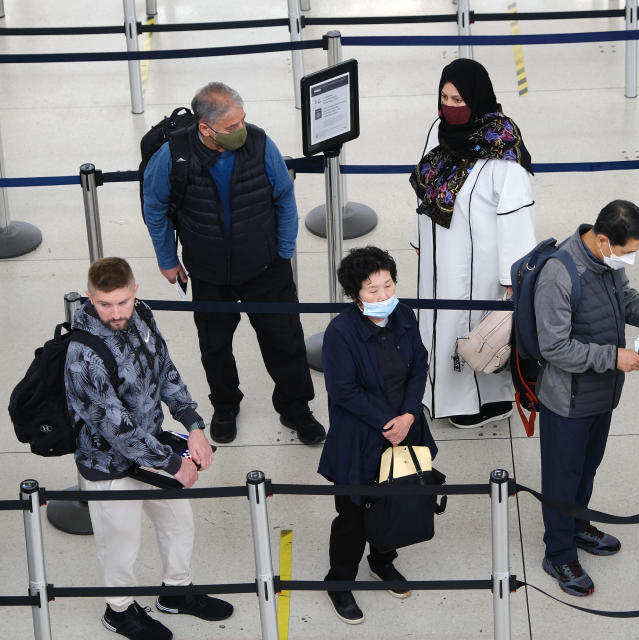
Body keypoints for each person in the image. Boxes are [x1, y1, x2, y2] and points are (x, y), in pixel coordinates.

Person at [143, 81, 324, 445]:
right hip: (208, 271)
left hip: (265, 266)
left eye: (242, 121)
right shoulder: (172, 156)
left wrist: (284, 251)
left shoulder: (259, 143)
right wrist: (167, 258)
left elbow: (284, 197)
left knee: (284, 339)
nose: (241, 130)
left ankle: (295, 408)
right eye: (231, 127)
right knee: (215, 345)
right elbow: (155, 207)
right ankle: (225, 405)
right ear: (205, 128)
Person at [63, 258, 233, 640]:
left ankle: (176, 591)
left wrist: (193, 425)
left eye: (122, 301)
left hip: (152, 450)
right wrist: (174, 464)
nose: (116, 312)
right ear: (90, 298)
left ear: (134, 290)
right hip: (107, 465)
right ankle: (119, 611)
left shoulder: (141, 314)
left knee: (178, 524)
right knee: (120, 545)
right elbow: (115, 427)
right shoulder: (82, 355)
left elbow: (165, 370)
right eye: (105, 304)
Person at [533, 200, 639, 595]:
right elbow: (555, 348)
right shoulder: (558, 275)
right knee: (562, 479)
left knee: (587, 467)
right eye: (629, 251)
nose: (631, 259)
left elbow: (626, 299)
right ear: (603, 241)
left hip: (600, 392)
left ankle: (577, 525)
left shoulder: (604, 264)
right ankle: (559, 553)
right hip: (567, 401)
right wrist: (612, 357)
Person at [410, 58, 537, 428]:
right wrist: (419, 239)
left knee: (475, 334)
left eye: (458, 99)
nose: (450, 107)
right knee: (437, 325)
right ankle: (436, 388)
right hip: (438, 258)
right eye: (444, 97)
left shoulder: (504, 153)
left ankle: (480, 401)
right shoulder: (439, 130)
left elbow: (517, 218)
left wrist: (514, 276)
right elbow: (425, 187)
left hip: (478, 270)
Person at [318, 247, 438, 625]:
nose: (384, 296)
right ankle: (339, 582)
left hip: (406, 427)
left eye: (388, 285)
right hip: (360, 439)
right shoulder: (340, 332)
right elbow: (343, 390)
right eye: (372, 290)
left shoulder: (403, 314)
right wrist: (391, 422)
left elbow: (419, 363)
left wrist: (409, 413)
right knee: (352, 516)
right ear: (355, 295)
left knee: (396, 502)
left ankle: (382, 561)